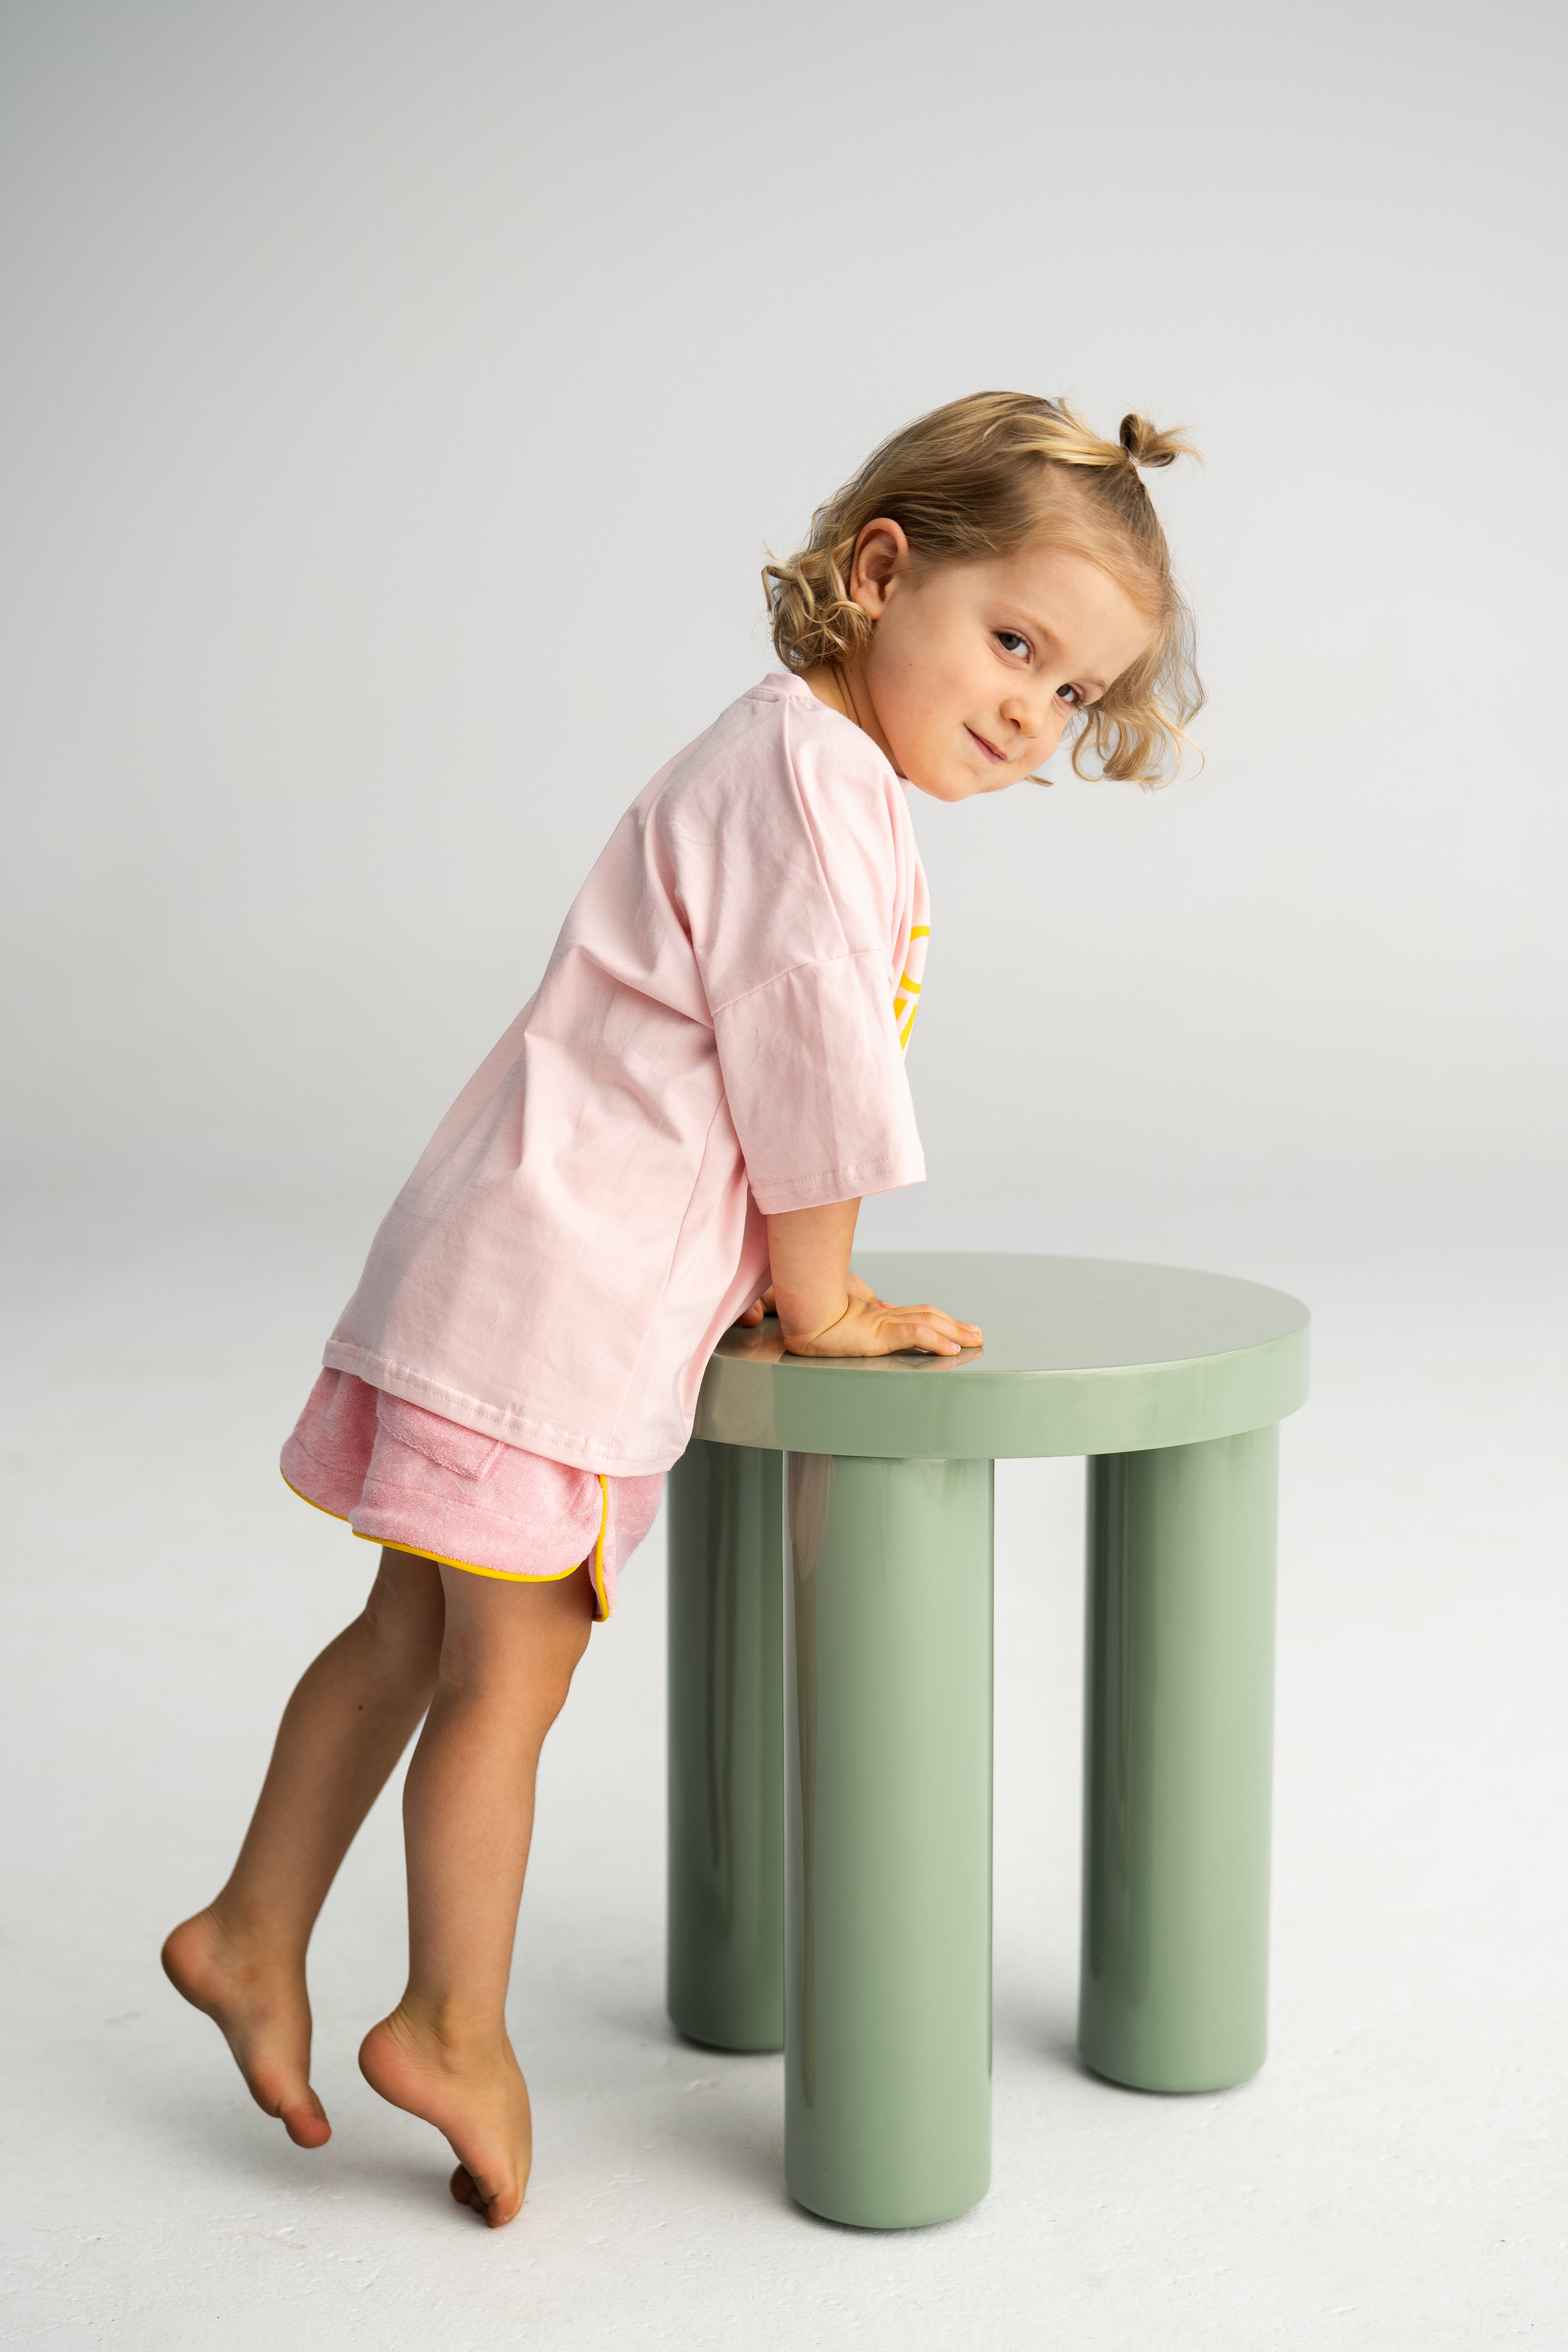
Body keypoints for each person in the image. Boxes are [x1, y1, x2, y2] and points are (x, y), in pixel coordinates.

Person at [162, 391, 1201, 2226]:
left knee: (409, 1632)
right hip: (553, 1291)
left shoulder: (803, 765)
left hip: (511, 1249)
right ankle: (450, 2022)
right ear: (884, 573)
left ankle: (254, 1925)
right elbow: (803, 1062)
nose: (1032, 709)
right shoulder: (817, 781)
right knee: (511, 1670)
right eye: (1014, 641)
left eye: (1072, 694)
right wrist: (824, 1301)